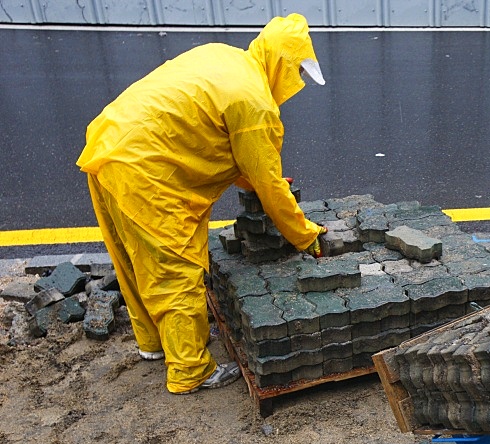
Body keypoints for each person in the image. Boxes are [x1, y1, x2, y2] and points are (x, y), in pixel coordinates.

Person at [77, 13, 327, 395]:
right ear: (283, 63)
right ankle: (190, 371)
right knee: (177, 270)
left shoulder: (225, 56)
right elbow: (268, 183)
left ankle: (153, 344)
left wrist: (257, 176)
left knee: (134, 257)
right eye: (296, 72)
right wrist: (305, 235)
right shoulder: (255, 103)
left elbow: (210, 130)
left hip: (109, 146)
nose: (295, 83)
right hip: (148, 172)